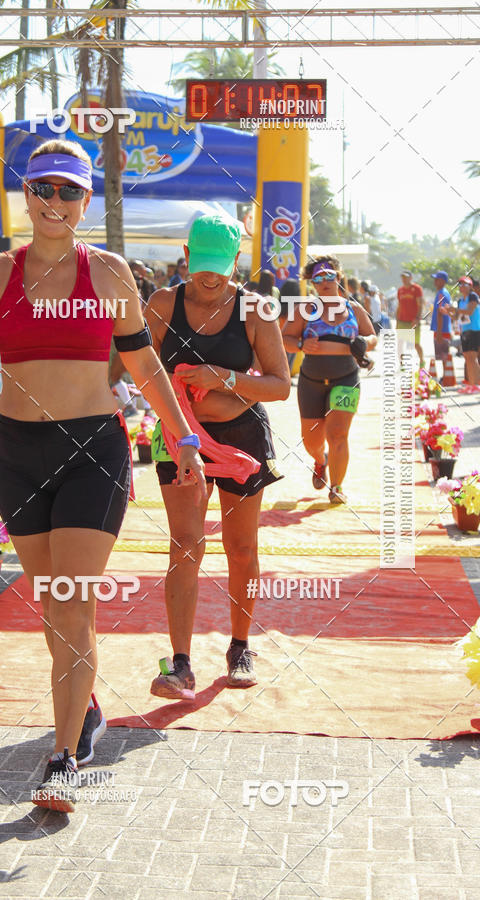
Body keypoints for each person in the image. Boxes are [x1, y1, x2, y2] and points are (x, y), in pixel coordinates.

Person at [0, 139, 206, 812]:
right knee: (53, 609)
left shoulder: (111, 274)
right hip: (17, 453)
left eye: (68, 191)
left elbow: (143, 366)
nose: (54, 201)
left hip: (93, 450)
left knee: (73, 599)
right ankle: (82, 706)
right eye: (43, 188)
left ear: (87, 200)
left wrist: (182, 436)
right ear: (26, 195)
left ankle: (62, 759)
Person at [144, 215, 291, 699]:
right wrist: (180, 420)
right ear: (186, 256)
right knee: (185, 543)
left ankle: (240, 645)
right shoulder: (164, 304)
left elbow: (279, 385)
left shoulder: (255, 310)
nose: (210, 277)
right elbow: (141, 371)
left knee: (241, 547)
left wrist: (222, 378)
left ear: (236, 262)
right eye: (201, 265)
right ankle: (180, 663)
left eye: (220, 267)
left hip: (242, 439)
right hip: (180, 439)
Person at [282, 256, 377, 504]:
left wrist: (365, 343)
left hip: (346, 379)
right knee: (311, 441)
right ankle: (320, 460)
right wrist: (302, 344)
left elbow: (373, 337)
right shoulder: (304, 309)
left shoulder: (354, 309)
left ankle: (336, 487)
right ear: (312, 282)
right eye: (318, 278)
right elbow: (284, 339)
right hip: (311, 381)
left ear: (339, 277)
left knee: (338, 434)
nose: (324, 281)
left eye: (329, 275)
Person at [449, 276, 480, 389]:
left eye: (465, 284)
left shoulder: (473, 296)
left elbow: (469, 311)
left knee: (473, 357)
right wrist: (447, 312)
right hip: (465, 331)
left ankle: (476, 384)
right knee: (467, 357)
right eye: (460, 284)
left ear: (470, 286)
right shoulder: (460, 301)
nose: (462, 287)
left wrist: (455, 310)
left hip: (474, 330)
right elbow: (456, 317)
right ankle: (471, 384)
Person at [396, 270, 424, 367]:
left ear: (411, 278)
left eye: (406, 277)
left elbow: (420, 305)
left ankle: (422, 362)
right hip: (402, 321)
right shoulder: (400, 290)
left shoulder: (416, 289)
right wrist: (397, 321)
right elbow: (399, 306)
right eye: (402, 277)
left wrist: (417, 318)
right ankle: (402, 364)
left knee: (416, 344)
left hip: (413, 321)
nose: (404, 279)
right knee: (400, 343)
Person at [429, 270, 452, 382]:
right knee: (443, 355)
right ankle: (446, 376)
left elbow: (440, 312)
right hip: (442, 329)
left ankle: (446, 377)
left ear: (442, 281)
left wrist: (438, 332)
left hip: (442, 330)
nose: (434, 281)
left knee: (443, 355)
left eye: (437, 279)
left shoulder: (442, 293)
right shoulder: (442, 292)